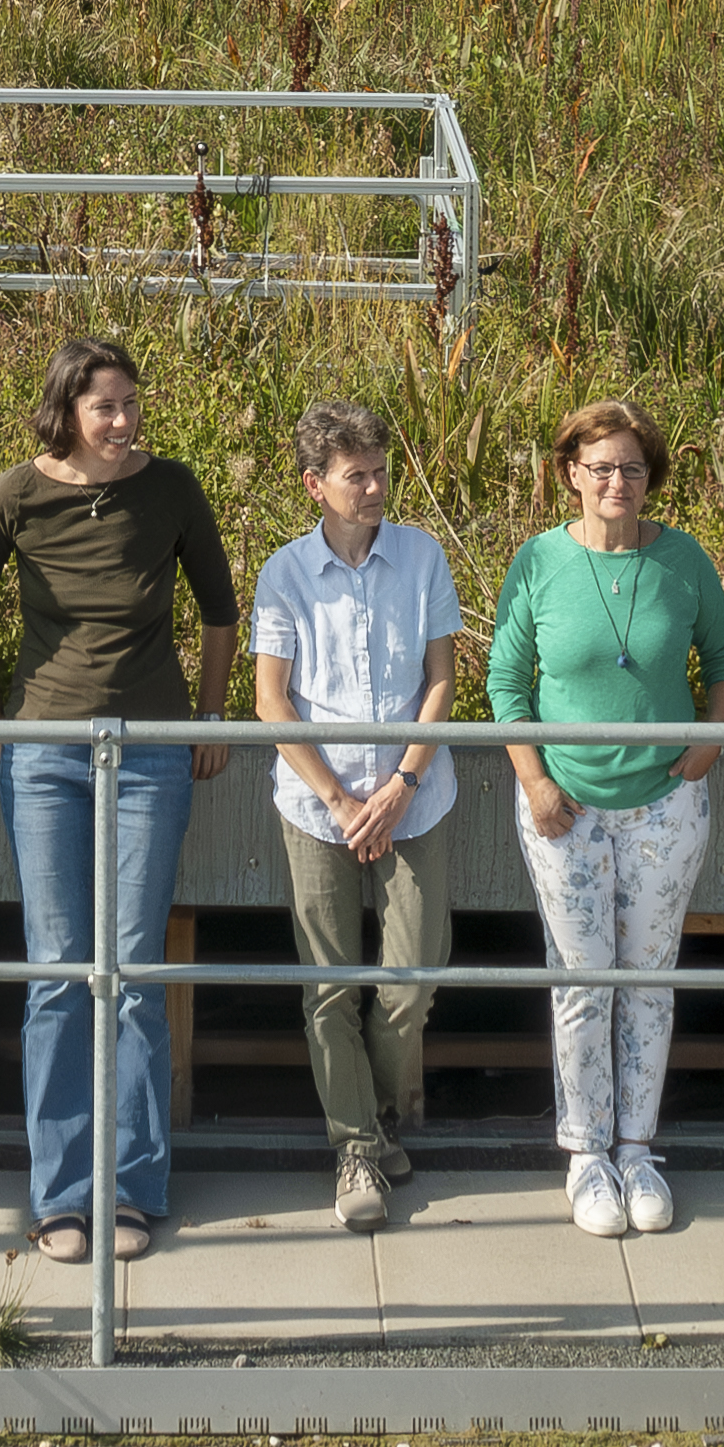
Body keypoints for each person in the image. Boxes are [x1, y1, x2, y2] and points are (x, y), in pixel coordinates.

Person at [0, 333, 237, 1268]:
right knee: (57, 973)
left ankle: (133, 1187)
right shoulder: (17, 494)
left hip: (148, 756)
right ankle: (59, 1193)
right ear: (66, 411)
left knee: (132, 973)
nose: (123, 421)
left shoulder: (172, 488)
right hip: (44, 756)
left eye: (130, 403)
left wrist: (205, 716)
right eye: (104, 406)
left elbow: (219, 610)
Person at [489, 396, 724, 1241]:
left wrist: (709, 743)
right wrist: (531, 778)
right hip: (562, 804)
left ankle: (637, 1148)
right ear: (569, 473)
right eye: (597, 466)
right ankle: (583, 1154)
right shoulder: (536, 561)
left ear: (650, 478)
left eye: (631, 467)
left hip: (664, 805)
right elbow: (505, 680)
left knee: (647, 977)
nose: (615, 482)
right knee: (580, 983)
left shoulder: (682, 560)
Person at [250, 402, 464, 1235]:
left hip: (413, 798)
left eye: (380, 471)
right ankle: (356, 1148)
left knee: (411, 981)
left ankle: (369, 1121)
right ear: (316, 485)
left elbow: (441, 680)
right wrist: (341, 800)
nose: (374, 488)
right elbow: (271, 700)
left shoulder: (421, 556)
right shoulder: (285, 573)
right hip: (317, 807)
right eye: (355, 476)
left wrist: (400, 784)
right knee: (331, 987)